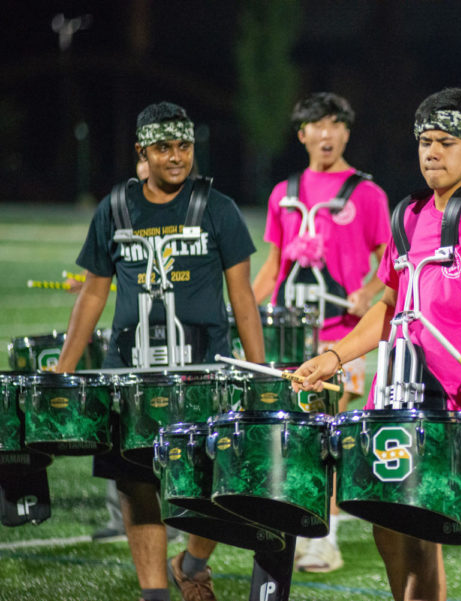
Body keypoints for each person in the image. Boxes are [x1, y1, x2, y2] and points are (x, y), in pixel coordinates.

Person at [292, 87, 461, 601]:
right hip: (392, 391)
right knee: (387, 523)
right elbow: (390, 307)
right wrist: (333, 356)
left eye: (446, 142)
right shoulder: (407, 216)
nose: (431, 152)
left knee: (419, 526)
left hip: (449, 401)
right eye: (425, 141)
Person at [57, 101, 264, 601]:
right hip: (130, 373)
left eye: (184, 146)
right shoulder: (116, 207)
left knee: (217, 481)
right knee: (137, 484)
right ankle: (155, 594)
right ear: (142, 152)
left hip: (205, 370)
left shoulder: (218, 207)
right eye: (164, 147)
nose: (176, 157)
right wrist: (64, 369)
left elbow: (242, 297)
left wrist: (258, 371)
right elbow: (92, 292)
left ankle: (191, 561)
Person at [251, 92, 391, 572]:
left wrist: (367, 292)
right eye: (317, 125)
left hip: (343, 336)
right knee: (297, 434)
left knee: (330, 433)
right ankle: (300, 524)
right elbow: (274, 265)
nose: (327, 133)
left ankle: (325, 535)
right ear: (302, 134)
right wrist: (246, 310)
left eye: (336, 125)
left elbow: (388, 266)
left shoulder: (367, 194)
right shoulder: (283, 192)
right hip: (291, 339)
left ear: (347, 133)